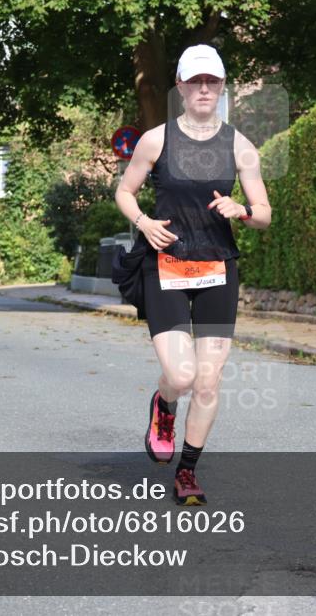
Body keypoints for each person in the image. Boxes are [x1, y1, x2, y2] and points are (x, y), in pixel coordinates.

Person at [115, 44, 271, 505]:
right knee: (181, 376)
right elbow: (125, 192)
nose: (204, 89)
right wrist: (143, 222)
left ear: (222, 87)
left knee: (207, 382)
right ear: (180, 87)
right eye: (196, 81)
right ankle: (164, 404)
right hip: (165, 265)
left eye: (212, 81)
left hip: (217, 268)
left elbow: (264, 213)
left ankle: (187, 471)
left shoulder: (240, 146)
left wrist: (243, 210)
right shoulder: (156, 140)